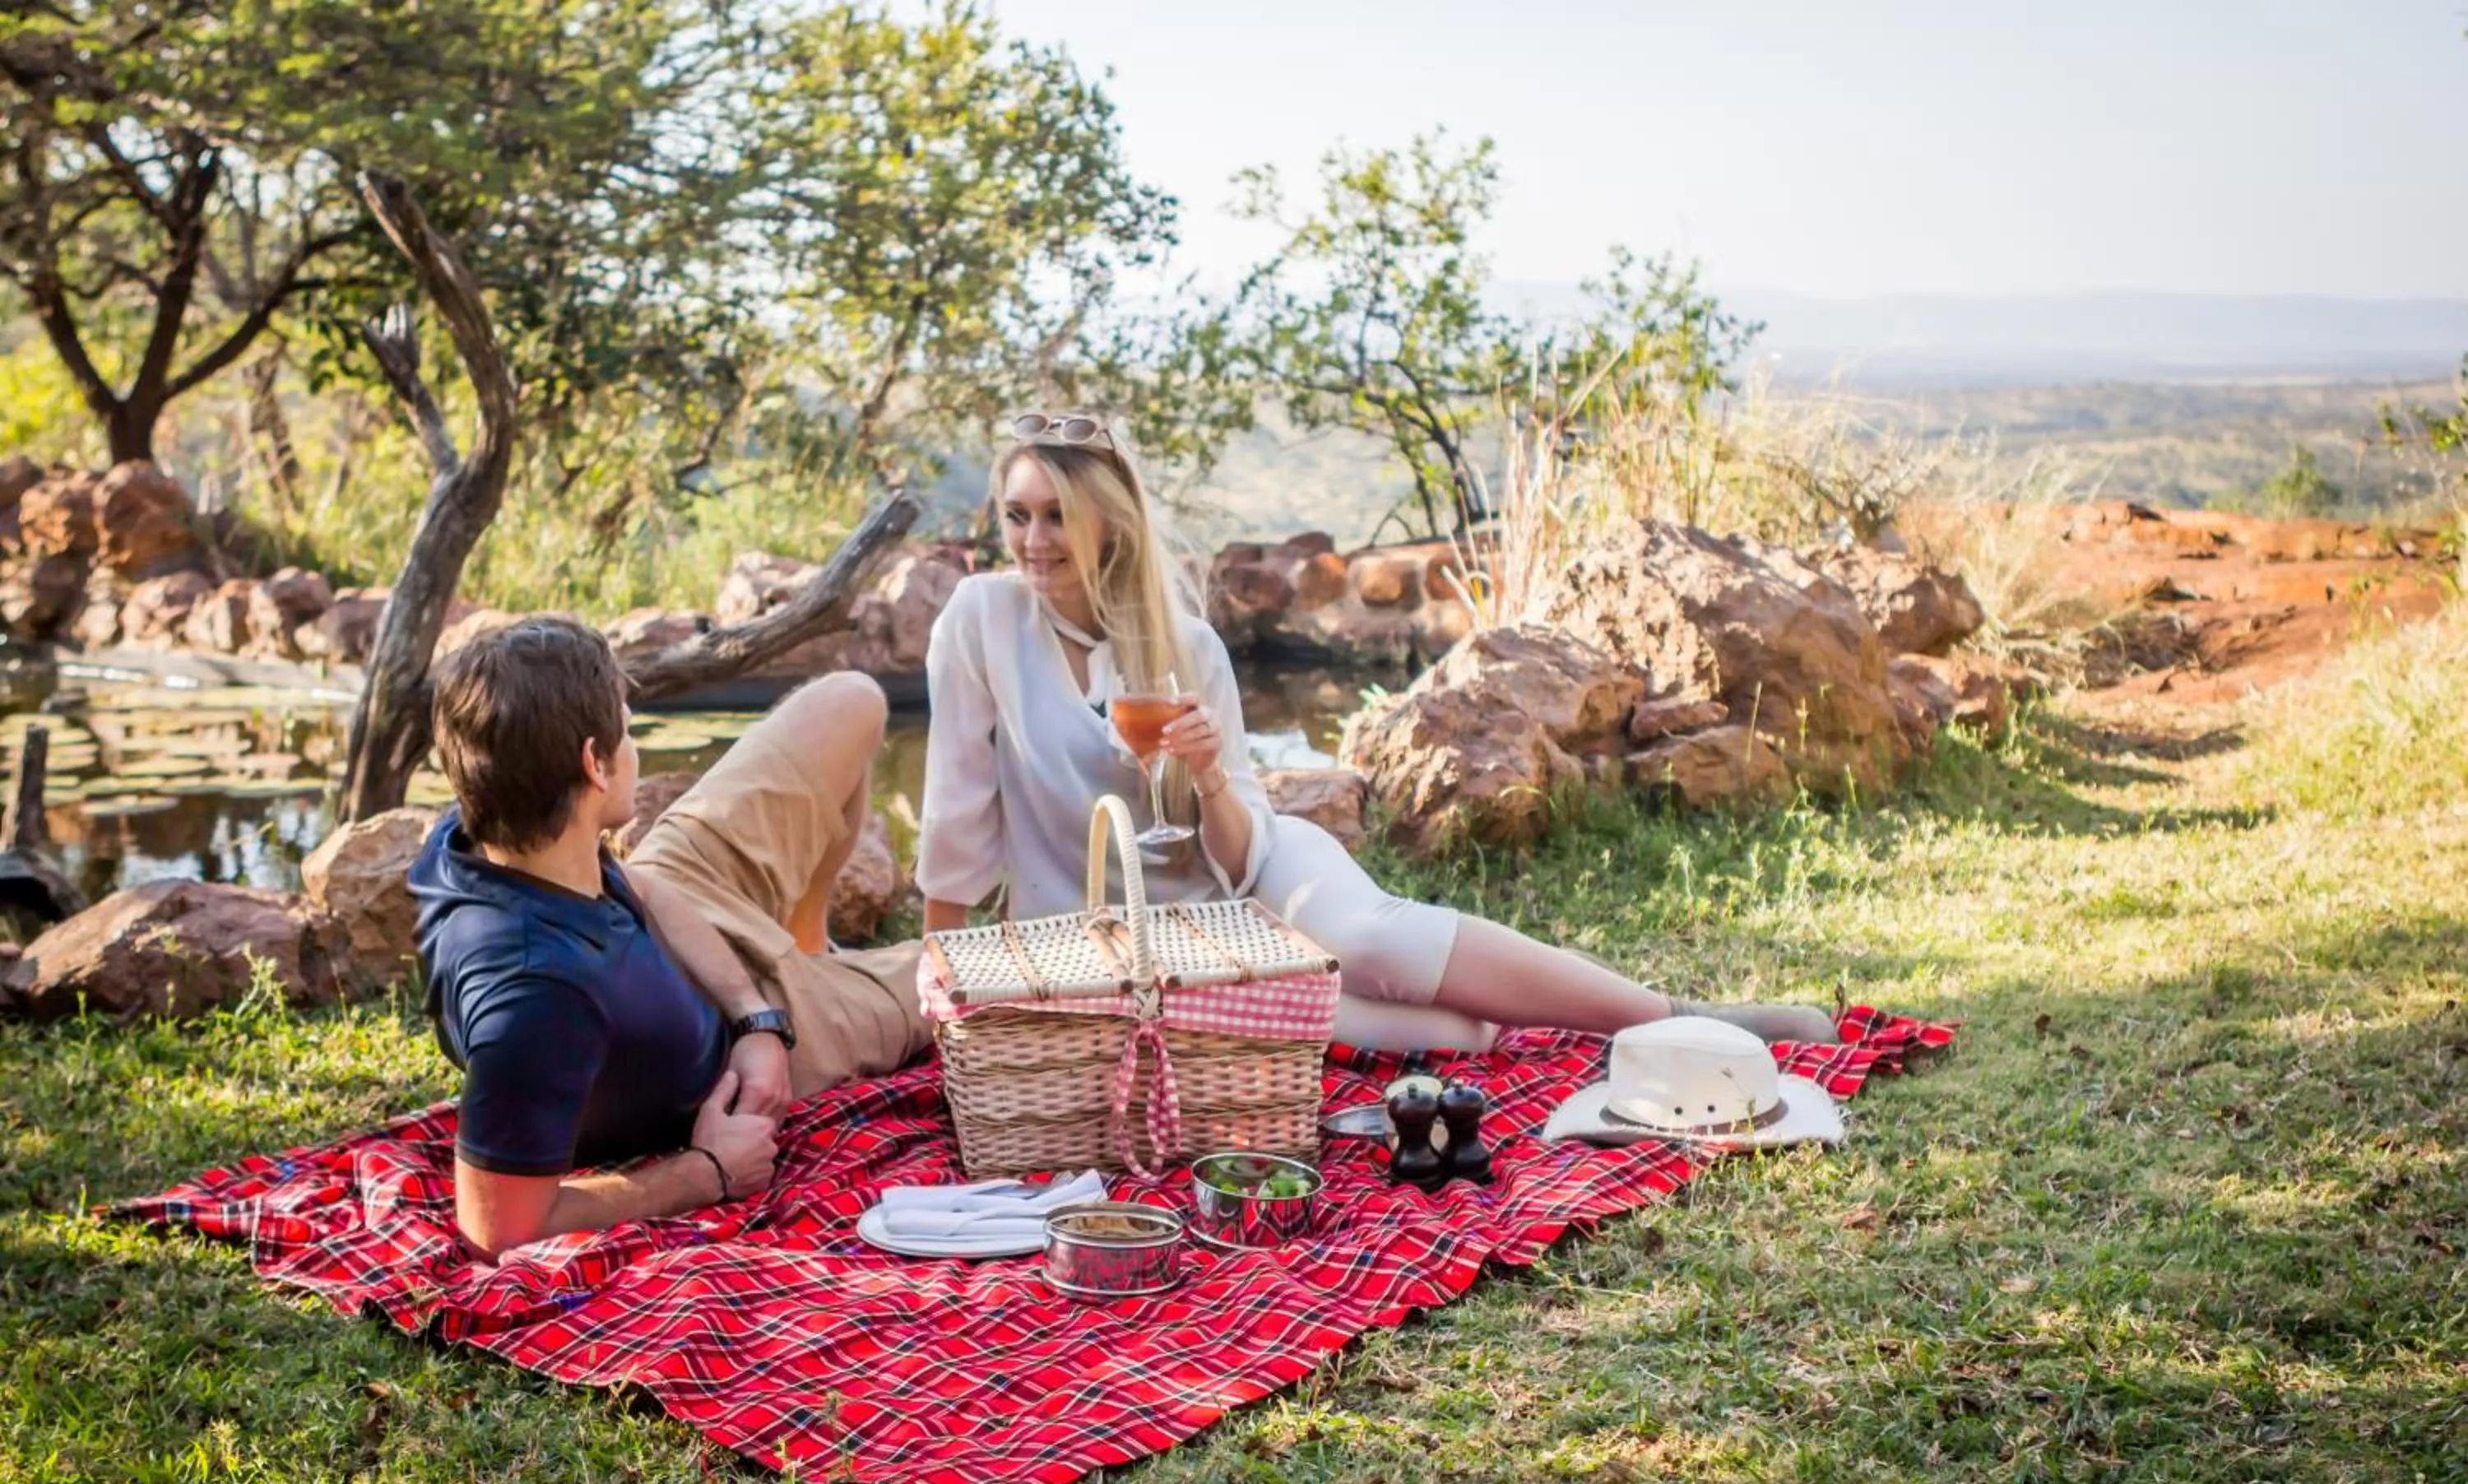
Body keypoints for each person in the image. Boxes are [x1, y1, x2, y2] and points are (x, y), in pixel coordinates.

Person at [916, 412, 1836, 1052]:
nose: (1035, 539)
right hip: (1119, 941)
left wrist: (1204, 777)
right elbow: (957, 806)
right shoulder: (982, 619)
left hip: (1250, 870)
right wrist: (942, 965)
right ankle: (1499, 1013)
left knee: (1370, 940)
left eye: (1057, 516)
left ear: (1106, 522)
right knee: (1436, 1032)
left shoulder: (1182, 644)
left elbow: (1234, 853)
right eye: (1018, 515)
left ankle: (1677, 1014)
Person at [410, 617, 932, 1259]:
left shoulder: (488, 832)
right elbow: (498, 1226)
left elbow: (641, 887)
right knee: (958, 972)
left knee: (850, 701)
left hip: (686, 919)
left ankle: (810, 944)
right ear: (593, 766)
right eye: (627, 730)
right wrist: (707, 1171)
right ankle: (827, 991)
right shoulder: (535, 998)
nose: (634, 748)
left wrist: (757, 1019)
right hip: (747, 1046)